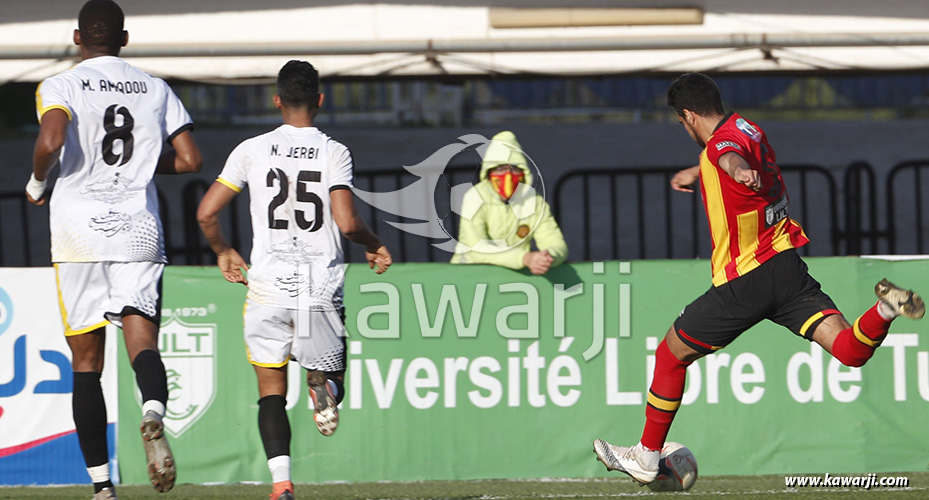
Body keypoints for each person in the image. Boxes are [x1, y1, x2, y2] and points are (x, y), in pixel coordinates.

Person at [593, 72, 925, 484]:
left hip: (745, 279)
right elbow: (731, 155)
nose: (685, 129)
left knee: (670, 355)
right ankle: (884, 309)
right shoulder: (747, 128)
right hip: (786, 269)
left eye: (682, 123)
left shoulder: (723, 148)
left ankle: (645, 456)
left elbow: (730, 158)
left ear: (689, 115)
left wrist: (734, 170)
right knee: (849, 351)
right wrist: (702, 170)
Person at [25, 1, 202, 498]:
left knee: (86, 364)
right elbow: (190, 159)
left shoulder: (59, 84)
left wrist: (39, 183)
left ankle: (103, 488)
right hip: (137, 230)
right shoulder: (155, 87)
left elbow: (51, 138)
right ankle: (153, 412)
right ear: (124, 39)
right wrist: (143, 163)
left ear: (77, 38)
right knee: (143, 343)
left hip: (78, 232)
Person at [197, 60, 391, 500]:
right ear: (320, 101)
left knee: (271, 391)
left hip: (266, 286)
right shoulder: (334, 151)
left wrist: (223, 250)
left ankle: (281, 486)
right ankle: (327, 389)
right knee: (331, 372)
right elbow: (346, 221)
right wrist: (373, 242)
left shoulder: (251, 148)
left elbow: (206, 212)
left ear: (277, 100)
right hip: (317, 286)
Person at [450, 131, 567, 275]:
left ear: (524, 171)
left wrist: (547, 258)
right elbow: (475, 249)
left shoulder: (534, 201)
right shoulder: (474, 197)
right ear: (488, 172)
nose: (507, 175)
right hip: (468, 278)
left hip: (513, 278)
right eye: (500, 169)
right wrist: (524, 258)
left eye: (514, 169)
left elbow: (554, 241)